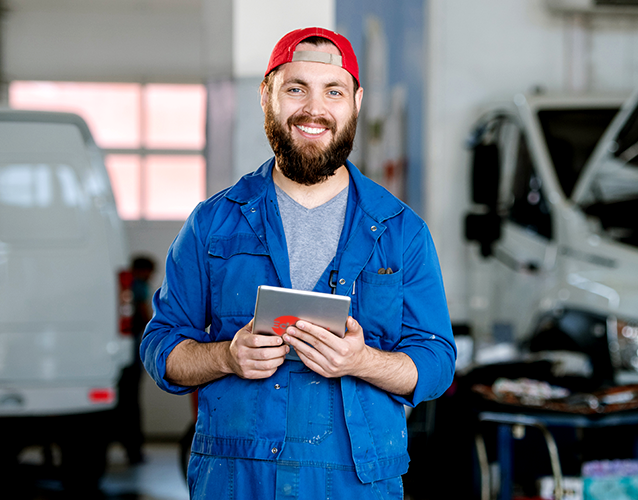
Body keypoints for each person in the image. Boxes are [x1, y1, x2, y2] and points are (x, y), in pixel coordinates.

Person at [140, 27, 456, 499]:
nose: (315, 109)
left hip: (354, 483)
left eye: (333, 91)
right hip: (237, 482)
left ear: (356, 101)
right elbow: (162, 347)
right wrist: (226, 355)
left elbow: (436, 362)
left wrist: (362, 360)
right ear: (267, 96)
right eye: (295, 89)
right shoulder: (213, 224)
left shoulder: (400, 230)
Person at [115, 255, 155, 465]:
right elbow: (149, 320)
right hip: (131, 356)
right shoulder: (138, 286)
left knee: (123, 402)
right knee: (131, 403)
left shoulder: (124, 287)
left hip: (119, 356)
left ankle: (130, 448)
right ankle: (133, 451)